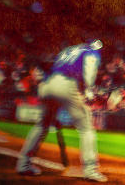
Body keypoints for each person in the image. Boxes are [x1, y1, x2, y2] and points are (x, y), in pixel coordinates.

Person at [16, 39, 107, 182]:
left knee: (42, 125)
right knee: (86, 128)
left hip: (47, 84)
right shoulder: (91, 51)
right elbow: (89, 68)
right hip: (66, 84)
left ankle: (23, 164)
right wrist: (89, 90)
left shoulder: (68, 50)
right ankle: (90, 170)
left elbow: (50, 68)